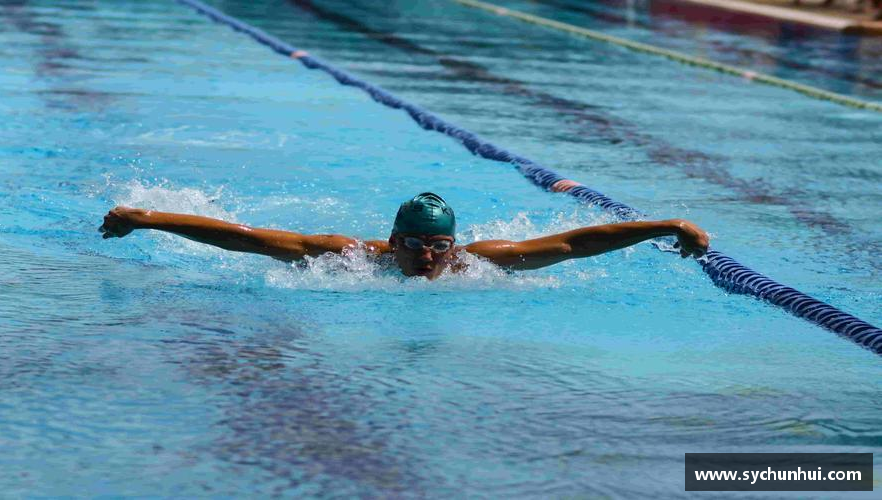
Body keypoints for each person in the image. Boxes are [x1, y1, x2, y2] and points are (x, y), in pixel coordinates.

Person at [99, 192, 709, 280]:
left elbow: (576, 242)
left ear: (454, 245)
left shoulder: (476, 264)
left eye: (438, 246)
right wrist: (149, 219)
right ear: (392, 242)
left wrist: (666, 224)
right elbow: (247, 238)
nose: (426, 256)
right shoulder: (349, 258)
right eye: (413, 244)